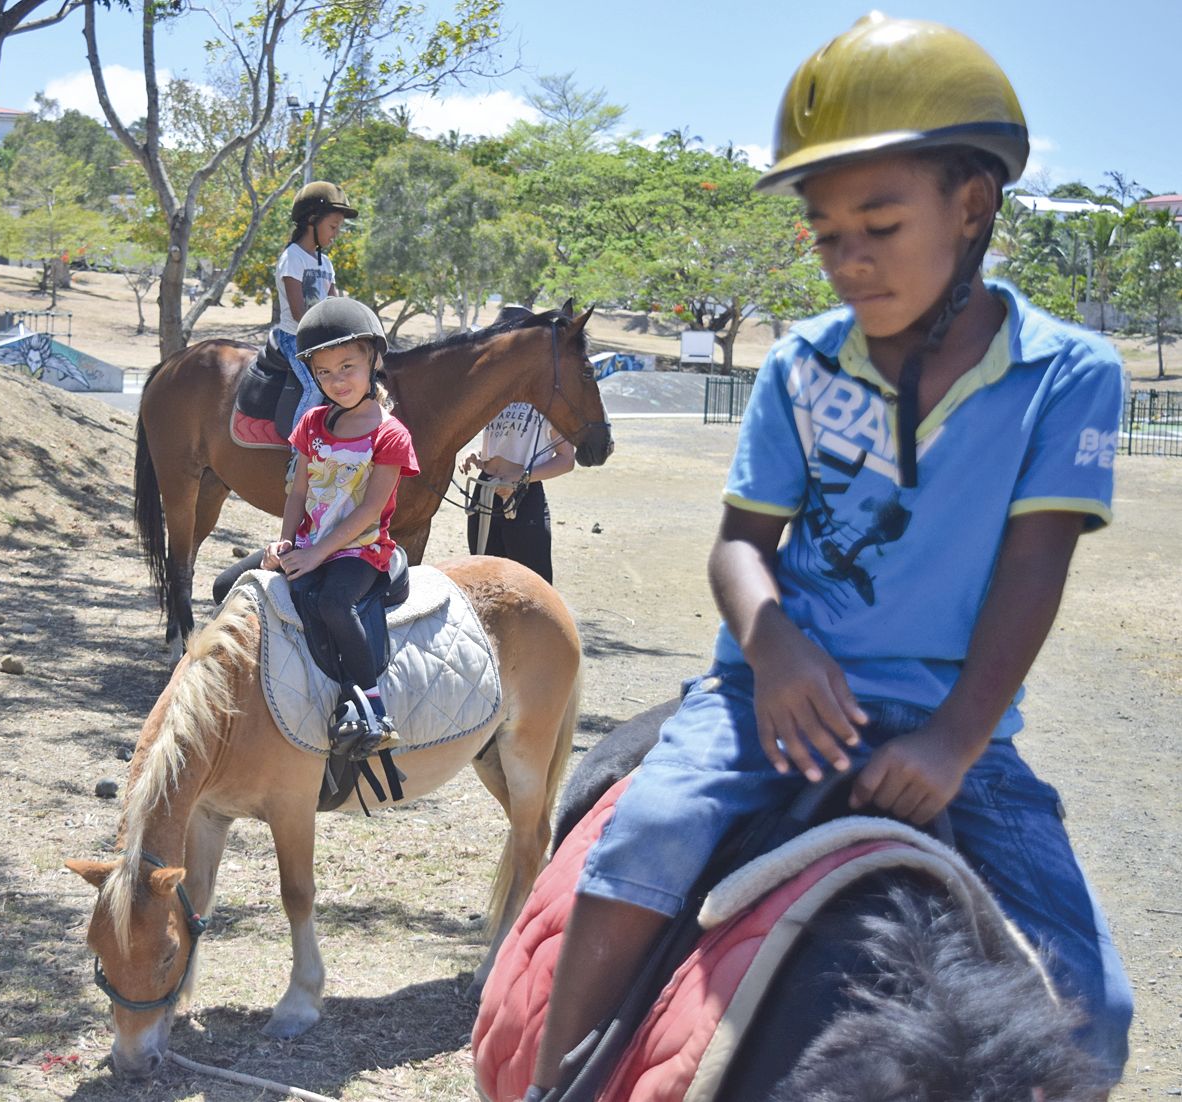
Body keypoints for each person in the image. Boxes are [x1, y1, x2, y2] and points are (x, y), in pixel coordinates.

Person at [525, 14, 1131, 1100]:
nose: (848, 259)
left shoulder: (1065, 372)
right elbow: (740, 549)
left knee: (1099, 1001)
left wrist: (953, 737)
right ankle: (554, 1086)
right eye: (825, 233)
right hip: (770, 700)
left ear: (973, 207)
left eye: (880, 225)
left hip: (953, 727)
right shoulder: (802, 363)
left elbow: (1034, 567)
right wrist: (775, 652)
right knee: (649, 835)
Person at [262, 297, 418, 755]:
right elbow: (297, 493)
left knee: (333, 601)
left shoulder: (390, 434)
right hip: (309, 540)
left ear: (373, 360)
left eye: (347, 366)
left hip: (361, 549)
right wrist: (286, 541)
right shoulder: (311, 423)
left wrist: (315, 554)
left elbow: (371, 509)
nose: (336, 381)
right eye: (325, 373)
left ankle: (373, 703)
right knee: (231, 584)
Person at [460, 402, 576, 583]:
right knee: (484, 577)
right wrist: (476, 454)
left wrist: (521, 477)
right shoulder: (499, 397)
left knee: (532, 581)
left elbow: (567, 460)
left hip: (523, 494)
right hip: (485, 489)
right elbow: (503, 446)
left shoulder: (547, 403)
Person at [275, 181, 357, 431]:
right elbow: (300, 314)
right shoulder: (292, 258)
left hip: (321, 340)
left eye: (339, 228)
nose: (335, 233)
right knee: (314, 387)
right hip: (294, 338)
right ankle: (297, 453)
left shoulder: (327, 264)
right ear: (312, 220)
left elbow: (333, 305)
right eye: (333, 226)